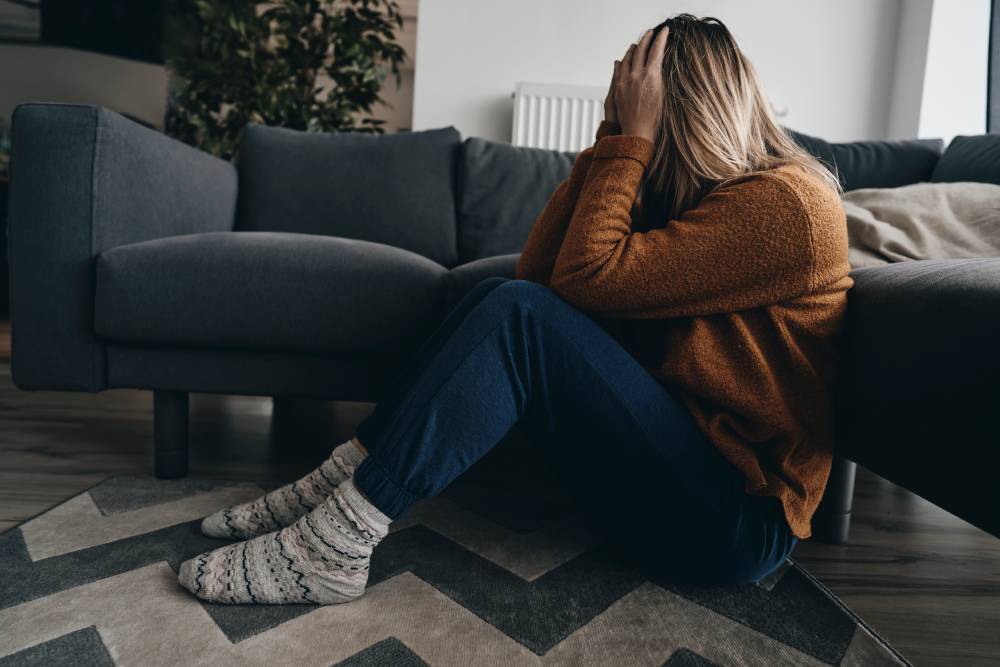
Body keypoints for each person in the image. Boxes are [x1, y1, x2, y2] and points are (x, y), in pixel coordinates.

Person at [178, 13, 853, 605]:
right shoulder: (694, 202)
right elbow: (540, 275)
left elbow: (572, 284)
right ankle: (334, 488)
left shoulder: (787, 204)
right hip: (673, 478)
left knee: (518, 315)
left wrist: (629, 142)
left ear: (686, 111)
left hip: (734, 518)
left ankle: (336, 543)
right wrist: (609, 137)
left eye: (642, 105)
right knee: (502, 299)